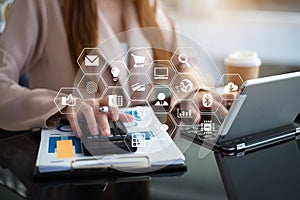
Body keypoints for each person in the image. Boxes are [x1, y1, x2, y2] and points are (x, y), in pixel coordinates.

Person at [0, 0, 230, 137]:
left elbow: (183, 64)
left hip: (142, 162)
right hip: (71, 169)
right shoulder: (40, 4)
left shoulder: (147, 4)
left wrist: (195, 93)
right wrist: (66, 105)